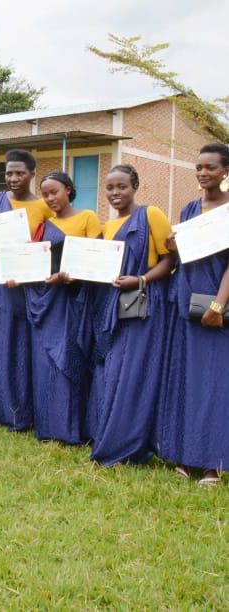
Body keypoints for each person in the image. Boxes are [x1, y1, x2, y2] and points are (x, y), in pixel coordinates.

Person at [87, 164, 173, 466]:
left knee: (134, 374)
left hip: (142, 305)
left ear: (135, 186)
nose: (115, 193)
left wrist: (141, 280)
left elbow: (169, 261)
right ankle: (110, 437)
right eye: (109, 188)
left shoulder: (152, 215)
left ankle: (130, 447)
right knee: (113, 373)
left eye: (121, 186)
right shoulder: (107, 228)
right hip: (112, 306)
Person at [156, 143, 229, 486]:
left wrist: (219, 305)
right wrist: (174, 247)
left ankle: (214, 462)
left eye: (210, 167)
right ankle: (184, 455)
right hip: (184, 301)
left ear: (225, 171)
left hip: (216, 307)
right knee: (185, 380)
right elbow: (185, 255)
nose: (202, 173)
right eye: (198, 167)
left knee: (215, 384)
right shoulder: (188, 209)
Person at [0, 149, 53, 430]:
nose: (14, 178)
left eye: (20, 173)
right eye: (9, 173)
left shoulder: (44, 206)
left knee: (17, 345)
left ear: (32, 174)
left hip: (24, 284)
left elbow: (49, 244)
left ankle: (17, 408)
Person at [24, 172, 101, 443]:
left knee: (69, 359)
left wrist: (71, 274)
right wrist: (16, 274)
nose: (49, 198)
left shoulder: (88, 218)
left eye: (54, 192)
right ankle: (48, 426)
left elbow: (96, 257)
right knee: (46, 364)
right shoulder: (44, 226)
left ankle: (71, 428)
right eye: (45, 194)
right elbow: (32, 263)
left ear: (68, 190)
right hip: (48, 302)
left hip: (75, 300)